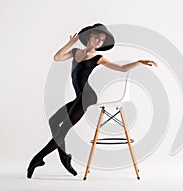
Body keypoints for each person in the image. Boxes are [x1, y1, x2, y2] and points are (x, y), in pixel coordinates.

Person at [26, 23, 157, 179]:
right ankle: (64, 157)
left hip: (88, 98)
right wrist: (70, 43)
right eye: (97, 38)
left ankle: (38, 158)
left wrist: (139, 62)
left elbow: (122, 68)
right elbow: (57, 57)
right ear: (89, 37)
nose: (98, 42)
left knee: (64, 128)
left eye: (101, 41)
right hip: (79, 97)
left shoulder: (98, 58)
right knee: (54, 120)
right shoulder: (75, 52)